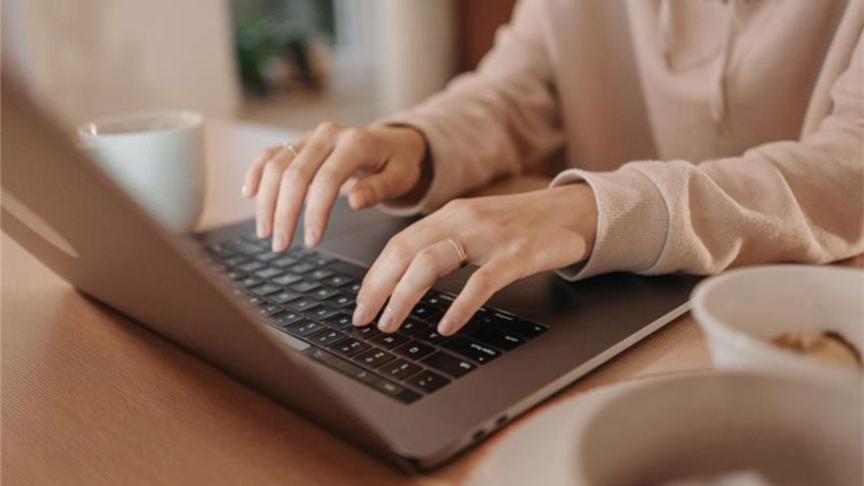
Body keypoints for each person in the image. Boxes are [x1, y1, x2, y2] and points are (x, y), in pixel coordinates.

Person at [241, 0, 863, 337]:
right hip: (616, 310)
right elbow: (512, 91)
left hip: (803, 324)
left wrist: (591, 210)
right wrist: (413, 142)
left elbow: (847, 169)